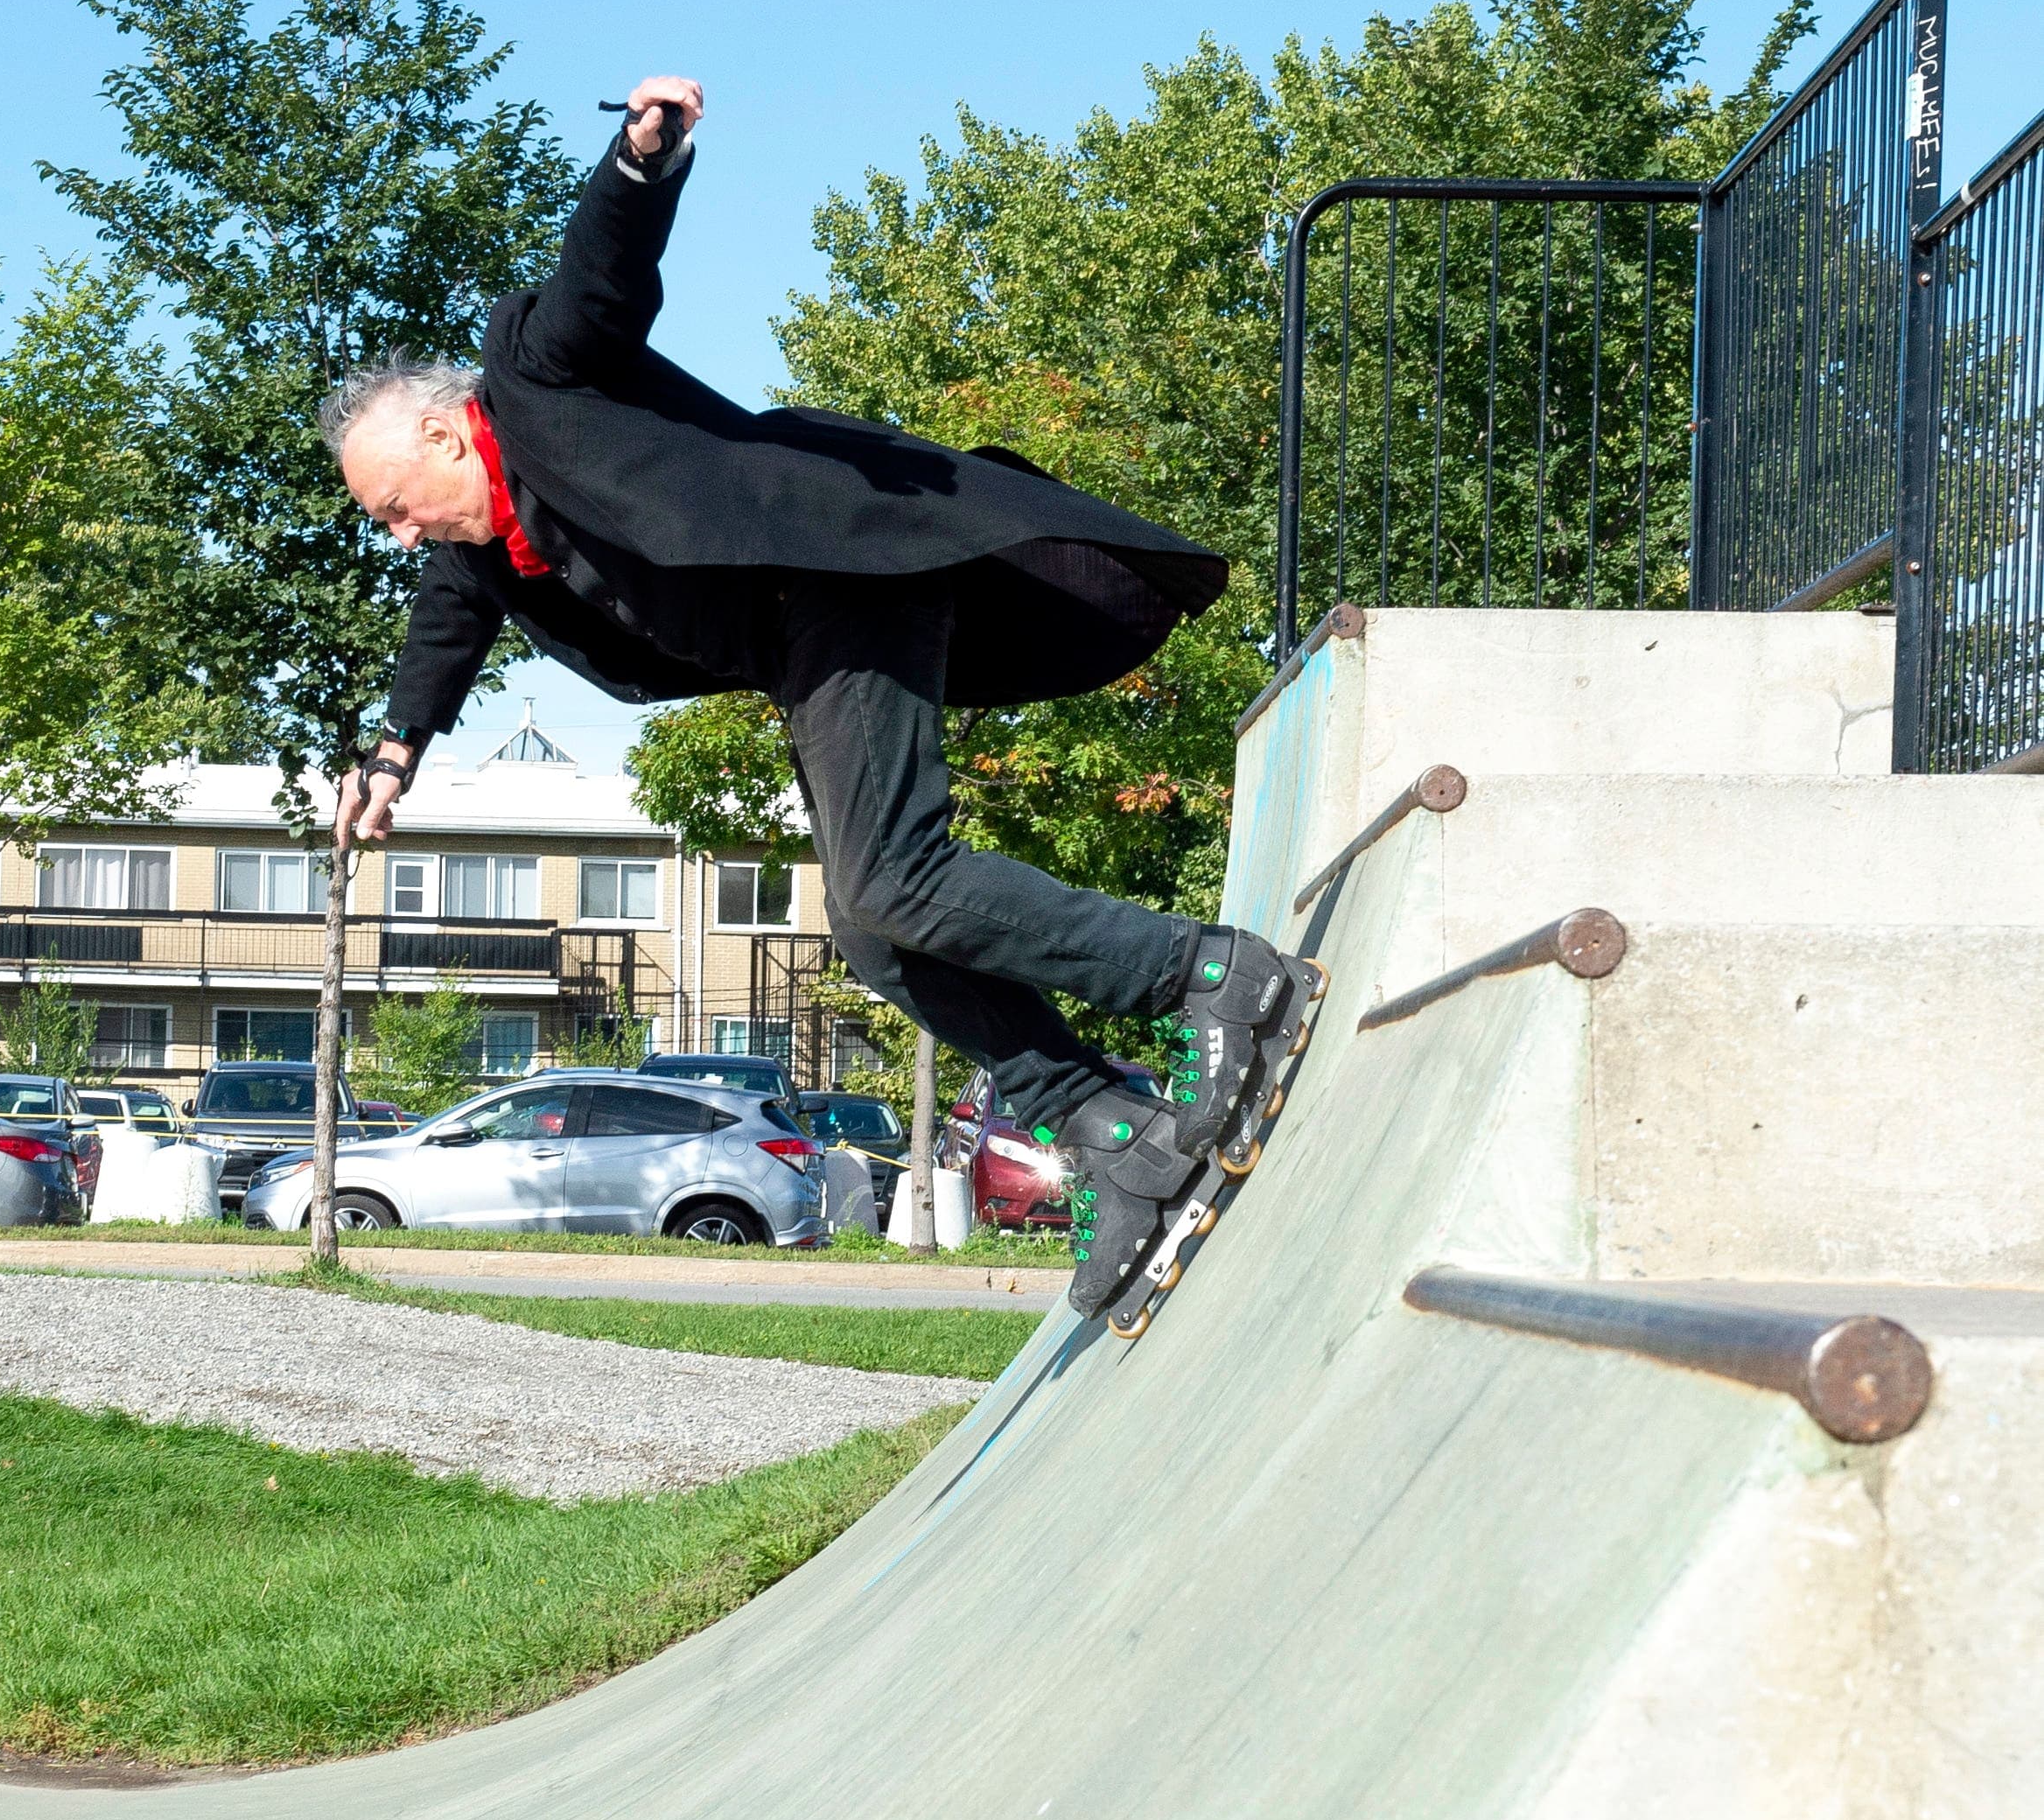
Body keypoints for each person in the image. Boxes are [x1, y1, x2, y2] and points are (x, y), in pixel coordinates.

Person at [322, 75, 1319, 1320]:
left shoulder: (528, 373)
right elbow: (445, 624)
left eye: (396, 506)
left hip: (842, 577)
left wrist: (639, 165)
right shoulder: (480, 545)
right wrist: (392, 749)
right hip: (794, 644)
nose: (406, 533)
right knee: (869, 926)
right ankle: (1111, 1127)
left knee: (895, 874)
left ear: (442, 436)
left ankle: (1210, 976)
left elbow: (601, 284)